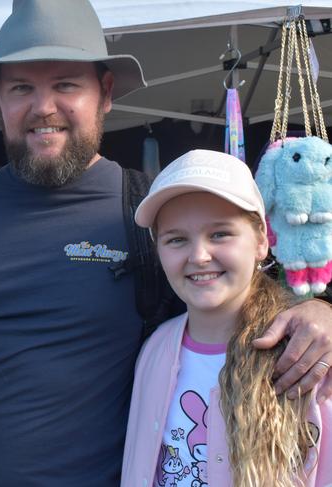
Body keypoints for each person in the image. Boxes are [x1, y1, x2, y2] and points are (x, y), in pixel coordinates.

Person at [0, 0, 332, 485]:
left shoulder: (148, 214)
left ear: (105, 93)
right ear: (0, 100)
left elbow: (229, 296)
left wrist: (320, 309)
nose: (43, 107)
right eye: (22, 87)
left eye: (66, 84)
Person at [122, 149, 332, 486]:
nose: (199, 256)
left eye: (220, 234)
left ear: (262, 240)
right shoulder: (155, 347)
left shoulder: (306, 357)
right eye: (176, 239)